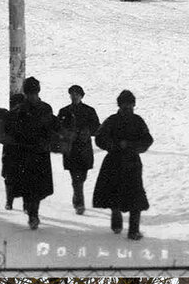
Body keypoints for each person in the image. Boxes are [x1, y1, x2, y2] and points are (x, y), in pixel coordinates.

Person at [93, 90, 153, 241]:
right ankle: (116, 218)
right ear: (119, 105)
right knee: (115, 194)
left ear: (134, 105)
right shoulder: (112, 121)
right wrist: (114, 145)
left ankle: (133, 230)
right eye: (124, 104)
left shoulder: (138, 121)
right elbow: (99, 138)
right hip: (114, 162)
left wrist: (132, 146)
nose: (127, 107)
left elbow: (147, 140)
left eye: (130, 104)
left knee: (135, 198)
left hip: (132, 163)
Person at [9, 77, 56, 229]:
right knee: (29, 188)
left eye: (34, 93)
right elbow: (13, 131)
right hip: (25, 154)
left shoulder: (45, 109)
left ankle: (33, 211)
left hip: (40, 153)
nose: (32, 96)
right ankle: (32, 214)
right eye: (29, 93)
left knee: (37, 189)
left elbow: (51, 128)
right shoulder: (20, 110)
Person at [56, 85, 100, 215]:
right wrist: (68, 133)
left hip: (85, 148)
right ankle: (79, 201)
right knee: (76, 177)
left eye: (77, 94)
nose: (74, 96)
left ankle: (77, 194)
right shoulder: (64, 111)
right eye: (72, 94)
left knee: (83, 175)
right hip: (71, 149)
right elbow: (58, 128)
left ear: (81, 96)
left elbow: (96, 128)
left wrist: (87, 131)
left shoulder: (89, 111)